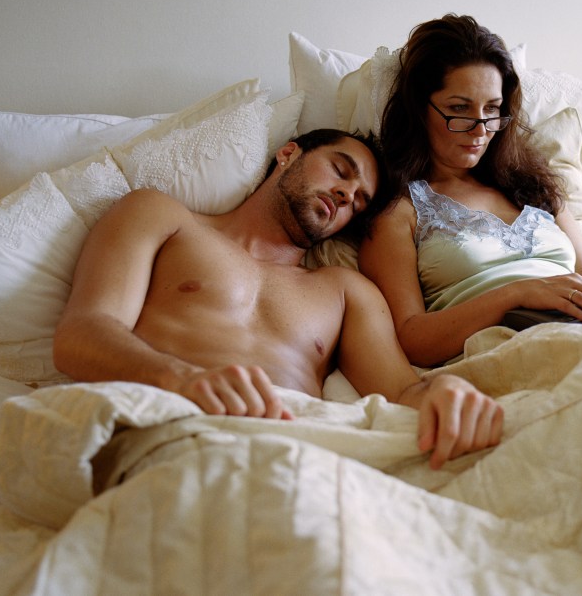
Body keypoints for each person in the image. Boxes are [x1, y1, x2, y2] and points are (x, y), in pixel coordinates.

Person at [54, 128, 503, 470]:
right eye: (340, 171)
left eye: (358, 201)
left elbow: (403, 391)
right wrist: (182, 380)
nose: (347, 195)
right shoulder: (162, 216)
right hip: (168, 428)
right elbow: (81, 334)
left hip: (295, 456)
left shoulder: (345, 291)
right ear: (288, 154)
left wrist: (446, 388)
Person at [359, 15, 582, 367]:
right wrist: (518, 293)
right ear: (419, 108)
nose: (480, 129)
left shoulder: (534, 187)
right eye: (459, 109)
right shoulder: (399, 211)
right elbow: (412, 339)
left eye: (492, 109)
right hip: (506, 353)